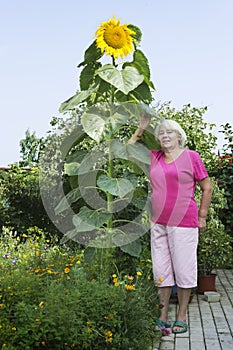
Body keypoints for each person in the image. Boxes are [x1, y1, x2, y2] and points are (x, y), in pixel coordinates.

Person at [148, 119, 213, 334]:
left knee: (184, 269)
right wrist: (141, 129)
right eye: (161, 133)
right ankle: (163, 315)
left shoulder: (191, 157)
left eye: (170, 132)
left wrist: (202, 216)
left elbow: (207, 187)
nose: (165, 136)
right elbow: (128, 149)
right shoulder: (155, 157)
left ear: (179, 136)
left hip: (184, 222)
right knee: (161, 270)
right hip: (158, 222)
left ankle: (182, 316)